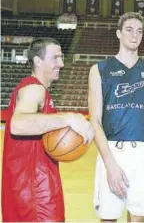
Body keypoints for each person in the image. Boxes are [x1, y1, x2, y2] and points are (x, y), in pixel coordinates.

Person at [1, 37, 94, 222]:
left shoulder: (36, 89)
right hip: (36, 192)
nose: (61, 63)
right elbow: (18, 124)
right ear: (37, 61)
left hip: (26, 186)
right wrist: (69, 118)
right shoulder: (34, 88)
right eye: (55, 58)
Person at [88, 12, 144, 222]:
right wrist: (110, 164)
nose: (135, 35)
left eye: (140, 31)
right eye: (129, 29)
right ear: (118, 33)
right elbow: (94, 121)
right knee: (108, 217)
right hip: (113, 151)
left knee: (138, 218)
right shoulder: (99, 70)